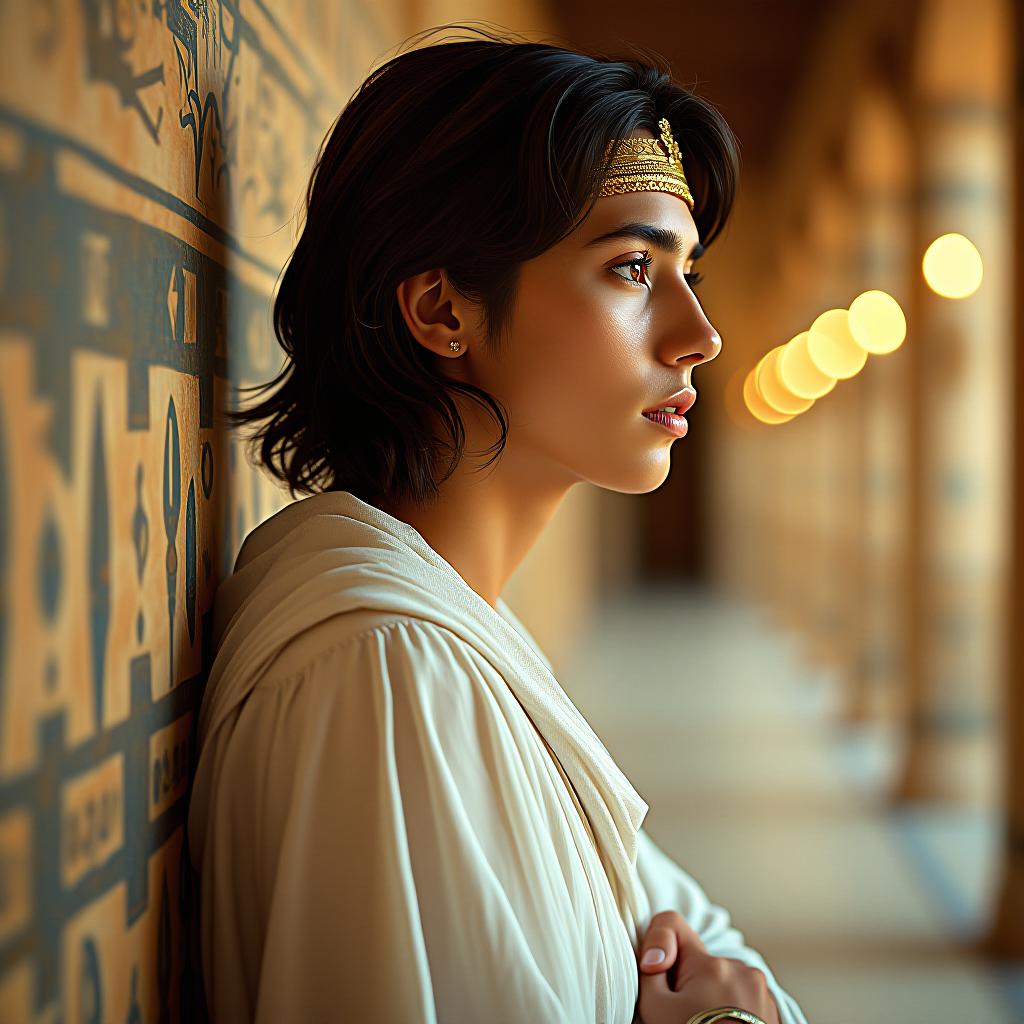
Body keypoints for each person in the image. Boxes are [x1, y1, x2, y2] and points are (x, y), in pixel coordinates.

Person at [187, 23, 811, 1024]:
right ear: (443, 311)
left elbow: (700, 929)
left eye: (690, 272)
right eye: (632, 270)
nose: (700, 336)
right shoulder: (390, 675)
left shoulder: (444, 627)